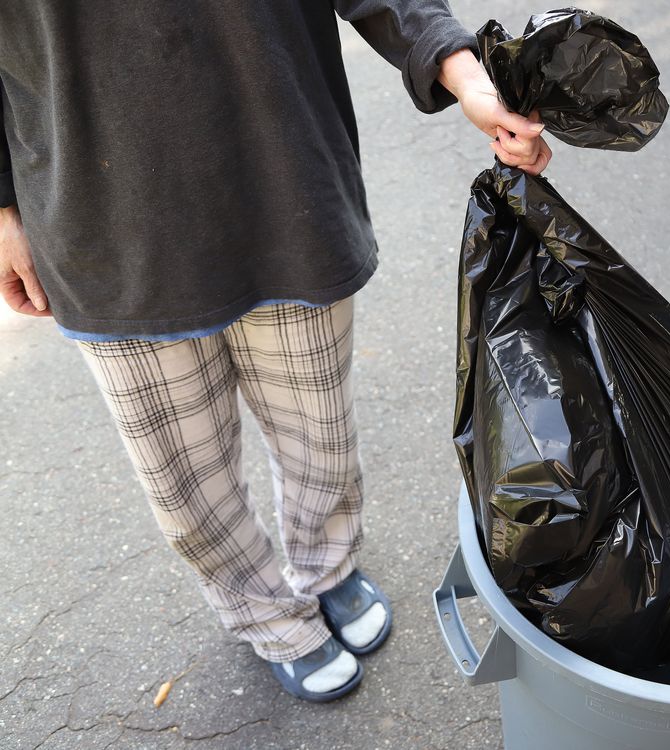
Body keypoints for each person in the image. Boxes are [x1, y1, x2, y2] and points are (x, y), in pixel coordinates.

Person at [0, 1, 550, 703]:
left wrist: (462, 69)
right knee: (187, 476)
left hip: (283, 178)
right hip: (101, 214)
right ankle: (263, 610)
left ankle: (329, 568)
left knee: (317, 431)